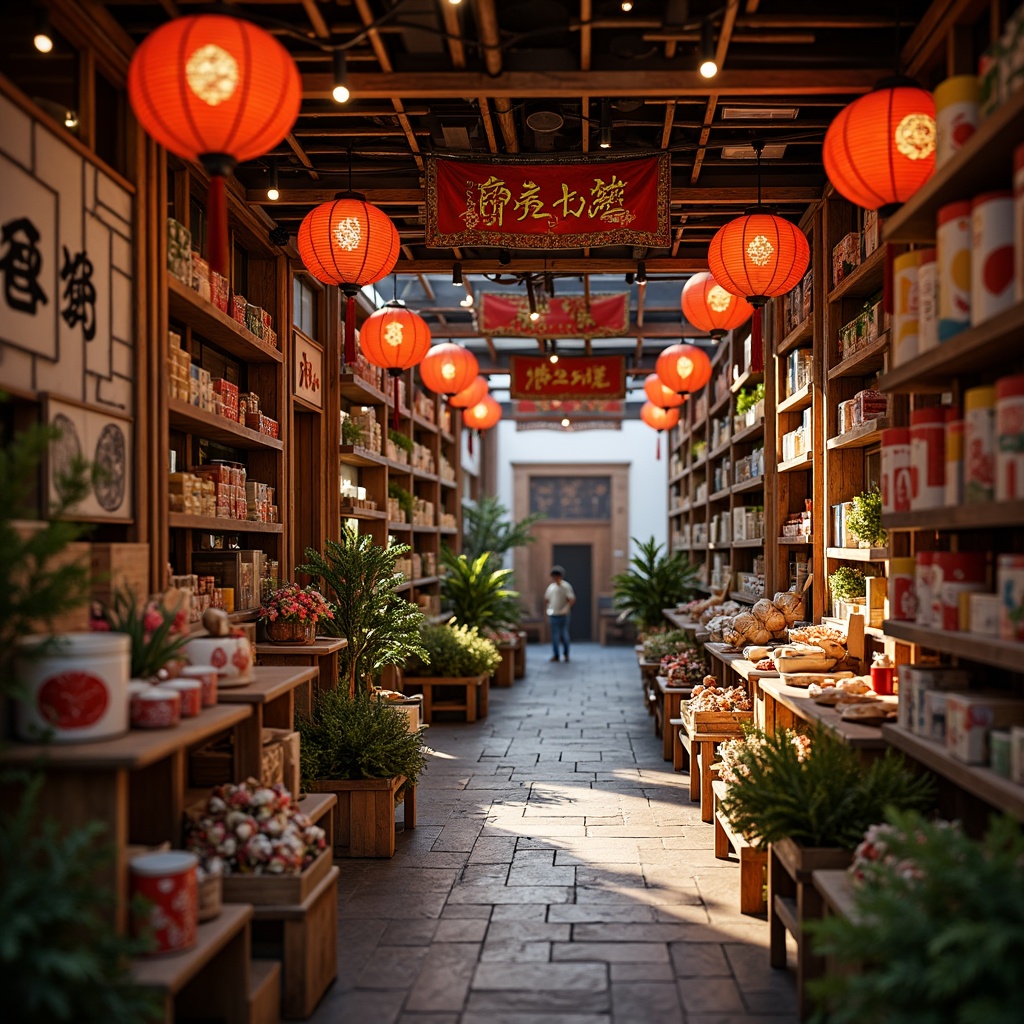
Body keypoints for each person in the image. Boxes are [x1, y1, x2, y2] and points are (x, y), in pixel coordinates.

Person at [545, 565, 576, 662]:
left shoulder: (566, 586)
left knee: (564, 634)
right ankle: (556, 655)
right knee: (555, 635)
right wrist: (547, 610)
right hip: (553, 614)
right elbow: (546, 599)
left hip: (563, 615)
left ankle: (566, 654)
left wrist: (566, 609)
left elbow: (572, 599)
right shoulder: (551, 587)